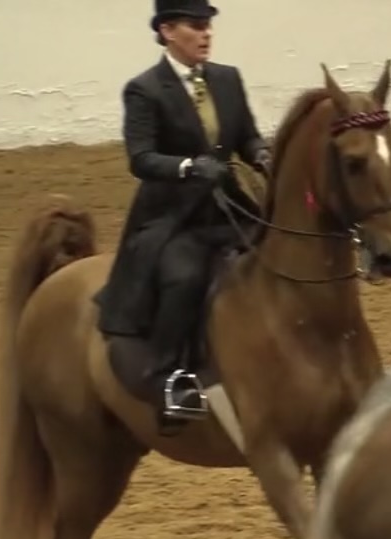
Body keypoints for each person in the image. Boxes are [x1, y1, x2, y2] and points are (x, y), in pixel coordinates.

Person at [95, 0, 270, 429]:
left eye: (208, 25)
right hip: (174, 216)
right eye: (196, 26)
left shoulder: (227, 80)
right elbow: (141, 158)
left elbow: (245, 136)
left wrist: (263, 153)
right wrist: (188, 166)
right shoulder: (145, 89)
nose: (206, 33)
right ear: (168, 31)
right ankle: (172, 378)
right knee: (184, 277)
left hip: (229, 205)